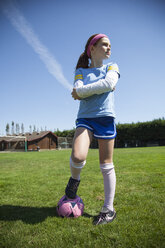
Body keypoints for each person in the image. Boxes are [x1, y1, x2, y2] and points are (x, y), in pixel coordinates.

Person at [65, 33, 120, 225]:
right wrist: (100, 87)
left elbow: (109, 83)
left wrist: (83, 91)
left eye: (110, 45)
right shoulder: (81, 71)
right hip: (85, 118)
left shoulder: (112, 67)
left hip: (105, 117)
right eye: (104, 45)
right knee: (78, 156)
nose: (108, 48)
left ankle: (108, 209)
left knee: (106, 164)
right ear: (92, 48)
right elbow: (80, 88)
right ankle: (74, 182)